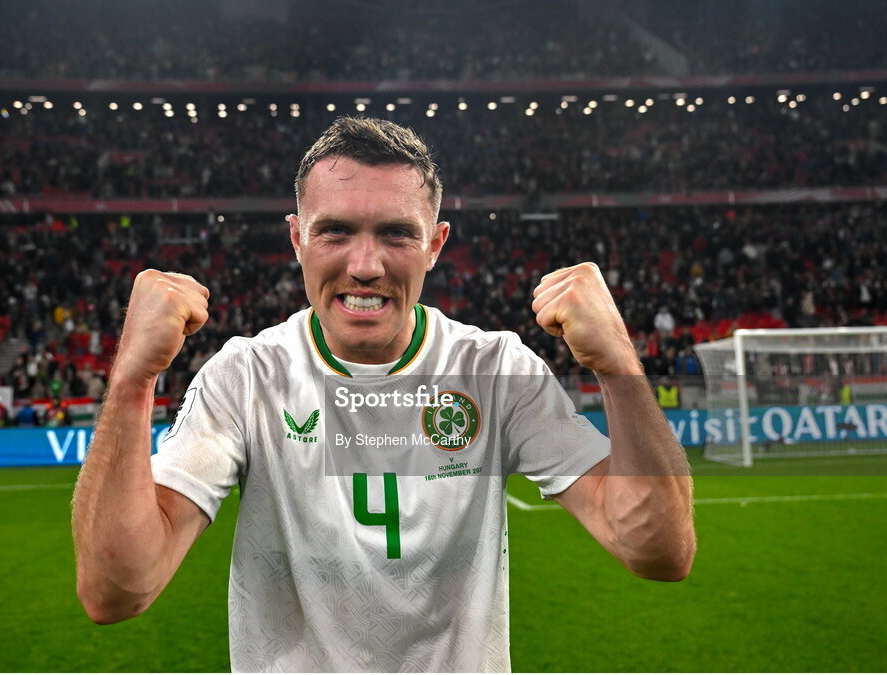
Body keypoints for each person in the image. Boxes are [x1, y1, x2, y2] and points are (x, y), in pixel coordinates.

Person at [72, 117, 695, 671]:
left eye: (396, 233)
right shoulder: (246, 378)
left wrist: (618, 366)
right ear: (297, 239)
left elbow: (660, 551)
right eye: (335, 231)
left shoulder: (494, 369)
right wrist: (130, 381)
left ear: (436, 243)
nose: (365, 264)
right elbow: (116, 590)